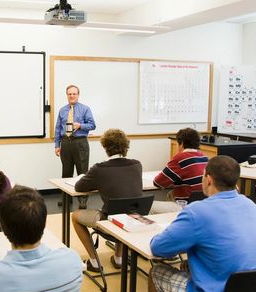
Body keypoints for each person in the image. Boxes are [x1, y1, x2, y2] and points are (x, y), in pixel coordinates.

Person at [149, 156, 256, 292]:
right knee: (188, 265)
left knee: (156, 272)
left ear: (209, 179)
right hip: (253, 291)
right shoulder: (249, 205)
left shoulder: (197, 211)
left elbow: (159, 247)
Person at [72, 128, 143, 272]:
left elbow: (79, 187)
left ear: (105, 147)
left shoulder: (99, 169)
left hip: (111, 223)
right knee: (125, 207)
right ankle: (119, 258)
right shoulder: (137, 164)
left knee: (75, 216)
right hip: (134, 221)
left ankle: (94, 261)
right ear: (126, 146)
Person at [54, 84, 96, 209]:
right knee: (66, 172)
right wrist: (57, 145)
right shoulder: (62, 110)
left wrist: (80, 125)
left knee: (82, 172)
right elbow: (57, 129)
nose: (72, 96)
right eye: (69, 94)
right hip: (66, 142)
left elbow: (93, 125)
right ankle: (66, 198)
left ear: (78, 95)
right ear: (67, 95)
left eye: (74, 94)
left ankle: (82, 200)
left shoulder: (85, 109)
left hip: (80, 142)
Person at [152, 127, 208, 213]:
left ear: (181, 143)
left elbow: (158, 183)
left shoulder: (180, 159)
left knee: (150, 206)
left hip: (186, 206)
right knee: (170, 194)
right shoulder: (204, 157)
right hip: (202, 204)